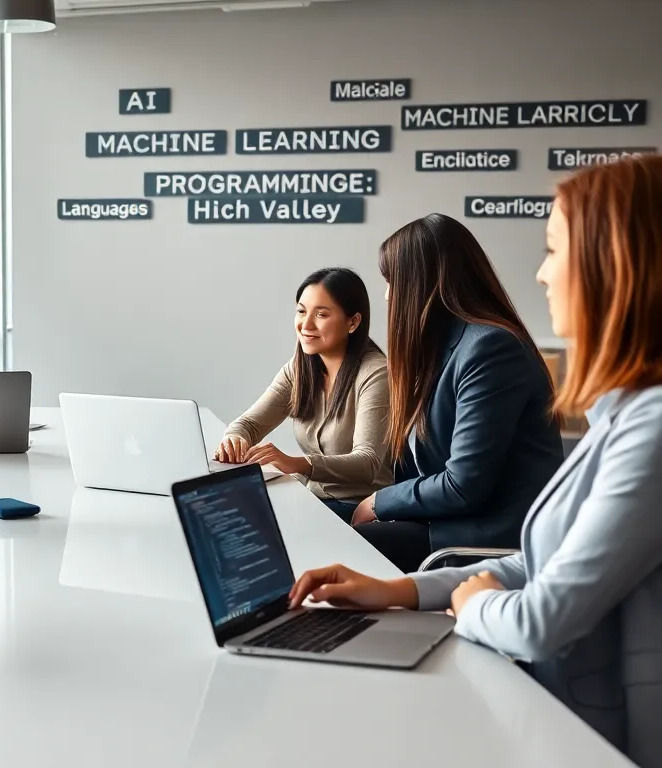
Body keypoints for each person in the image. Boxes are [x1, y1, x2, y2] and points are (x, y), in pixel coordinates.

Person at [289, 155, 662, 768]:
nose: (542, 275)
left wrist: (471, 603)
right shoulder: (621, 413)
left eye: (553, 249)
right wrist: (401, 592)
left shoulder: (647, 428)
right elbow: (539, 564)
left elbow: (541, 615)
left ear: (613, 267)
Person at [346, 214, 562, 572]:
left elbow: (463, 485)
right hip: (448, 521)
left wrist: (379, 502)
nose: (387, 295)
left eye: (392, 281)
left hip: (484, 536)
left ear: (422, 283)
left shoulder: (490, 348)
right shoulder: (445, 347)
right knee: (321, 516)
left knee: (341, 546)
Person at [215, 267, 391, 519]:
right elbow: (250, 424)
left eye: (321, 314)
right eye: (301, 311)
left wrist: (298, 463)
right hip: (311, 497)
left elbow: (368, 462)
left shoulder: (376, 373)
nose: (306, 324)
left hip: (358, 507)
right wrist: (234, 438)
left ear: (353, 322)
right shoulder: (299, 369)